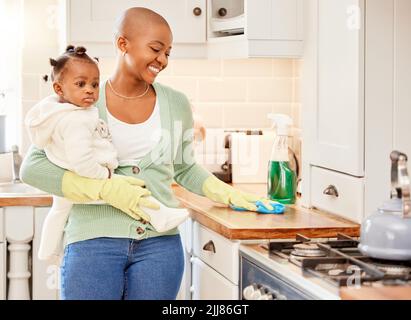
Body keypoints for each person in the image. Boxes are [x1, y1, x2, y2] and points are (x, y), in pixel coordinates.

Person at [21, 7, 272, 300]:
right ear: (122, 43)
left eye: (167, 53)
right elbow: (33, 167)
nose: (162, 60)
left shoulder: (176, 103)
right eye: (155, 49)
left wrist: (229, 194)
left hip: (159, 248)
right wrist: (102, 189)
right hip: (93, 243)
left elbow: (185, 167)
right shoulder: (82, 96)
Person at [25, 45, 189, 261]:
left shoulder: (59, 113)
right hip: (90, 176)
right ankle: (162, 217)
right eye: (80, 84)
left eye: (94, 84)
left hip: (73, 175)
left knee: (58, 212)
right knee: (137, 195)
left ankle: (47, 252)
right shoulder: (76, 119)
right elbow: (82, 160)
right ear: (59, 89)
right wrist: (107, 179)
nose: (90, 90)